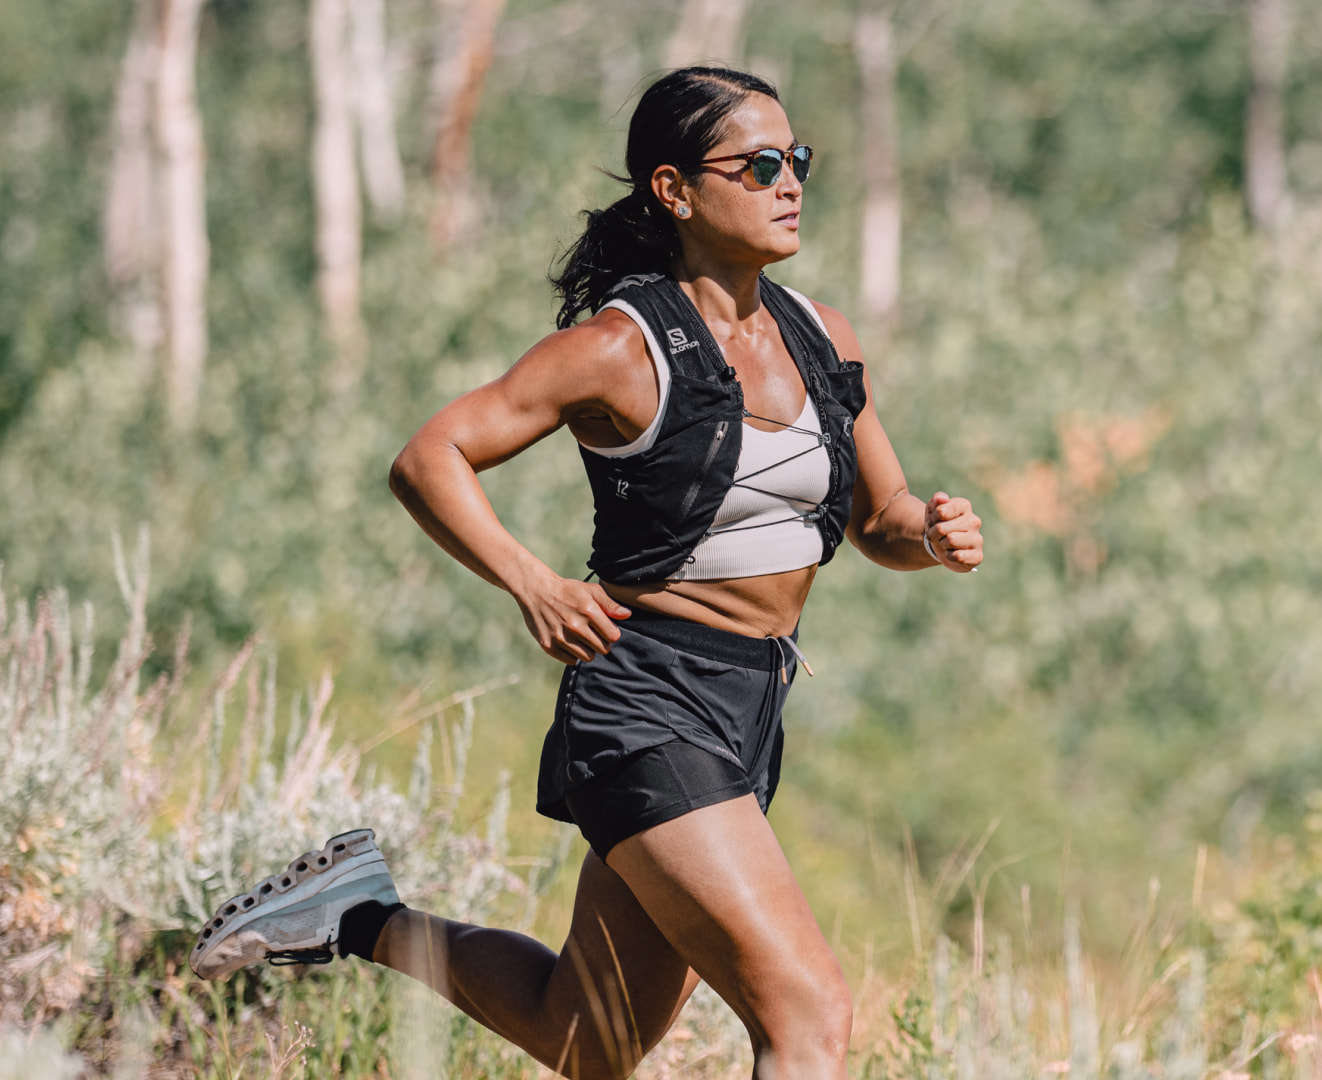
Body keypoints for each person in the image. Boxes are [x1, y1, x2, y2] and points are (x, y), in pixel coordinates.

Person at [191, 66, 984, 1080]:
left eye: (799, 163)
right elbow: (428, 457)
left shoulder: (820, 335)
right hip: (646, 702)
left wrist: (931, 533)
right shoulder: (619, 348)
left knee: (587, 1035)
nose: (789, 183)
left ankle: (354, 916)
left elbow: (878, 517)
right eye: (759, 165)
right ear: (674, 190)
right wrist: (532, 582)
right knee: (808, 1015)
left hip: (748, 704)